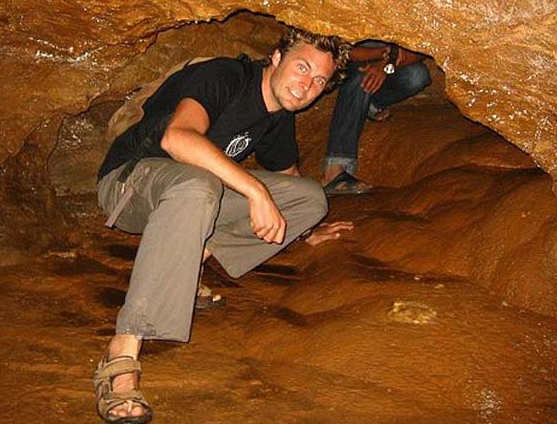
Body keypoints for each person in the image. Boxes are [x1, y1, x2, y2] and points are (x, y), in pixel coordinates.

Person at [93, 28, 350, 423]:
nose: (307, 86)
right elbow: (177, 139)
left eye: (319, 81)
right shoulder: (224, 76)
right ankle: (123, 350)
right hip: (129, 182)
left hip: (192, 195)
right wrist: (255, 192)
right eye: (302, 67)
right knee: (200, 184)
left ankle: (186, 263)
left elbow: (292, 183)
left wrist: (305, 229)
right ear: (276, 58)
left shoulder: (278, 117)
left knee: (312, 198)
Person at [322, 40, 431, 194]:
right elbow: (341, 49)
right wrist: (380, 53)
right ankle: (334, 171)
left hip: (390, 62)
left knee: (417, 75)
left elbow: (422, 51)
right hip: (354, 60)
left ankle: (370, 105)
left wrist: (384, 65)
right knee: (362, 77)